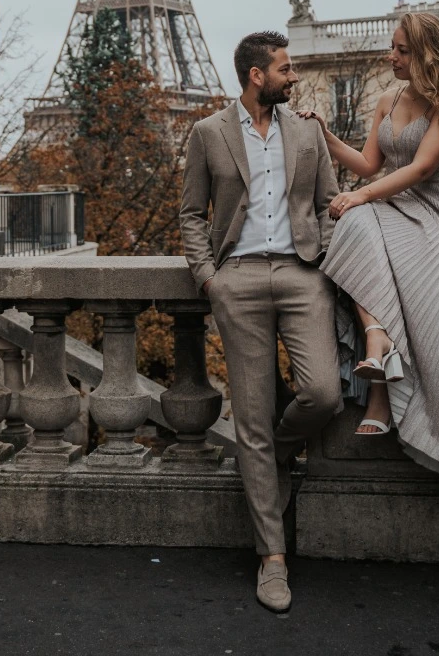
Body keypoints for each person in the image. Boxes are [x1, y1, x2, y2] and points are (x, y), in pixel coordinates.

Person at [309, 10, 439, 493]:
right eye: (393, 47)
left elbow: (423, 169)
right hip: (388, 202)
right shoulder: (388, 98)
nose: (392, 56)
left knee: (360, 220)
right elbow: (368, 165)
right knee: (353, 224)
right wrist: (325, 135)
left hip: (433, 208)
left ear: (426, 54)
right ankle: (377, 338)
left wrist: (362, 196)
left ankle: (386, 386)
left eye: (402, 50)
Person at [180, 30, 342, 614]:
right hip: (239, 279)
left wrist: (322, 265)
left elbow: (331, 200)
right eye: (285, 67)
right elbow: (190, 212)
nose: (292, 75)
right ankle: (272, 557)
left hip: (302, 275)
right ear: (256, 75)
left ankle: (270, 455)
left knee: (323, 392)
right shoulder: (207, 133)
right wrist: (208, 277)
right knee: (248, 414)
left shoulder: (306, 131)